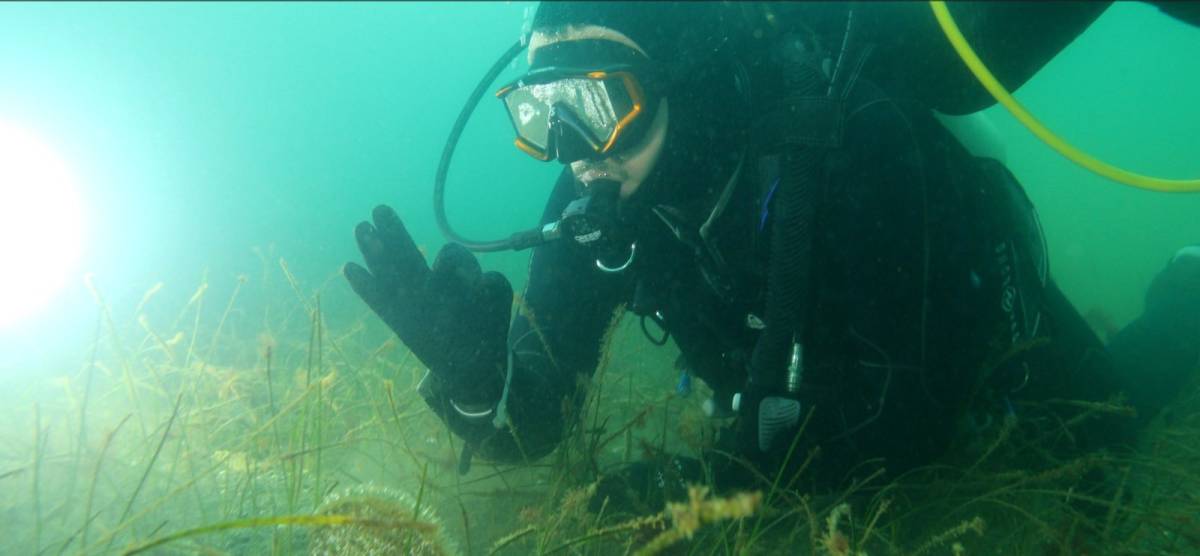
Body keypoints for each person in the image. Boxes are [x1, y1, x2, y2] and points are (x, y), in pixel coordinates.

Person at [345, 2, 1199, 506]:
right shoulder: (591, 198)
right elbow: (540, 414)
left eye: (600, 103)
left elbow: (905, 434)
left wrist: (707, 488)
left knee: (1107, 435)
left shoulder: (849, 142)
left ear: (674, 76)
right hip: (793, 395)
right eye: (541, 115)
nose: (575, 148)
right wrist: (477, 384)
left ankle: (1187, 292)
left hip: (978, 322)